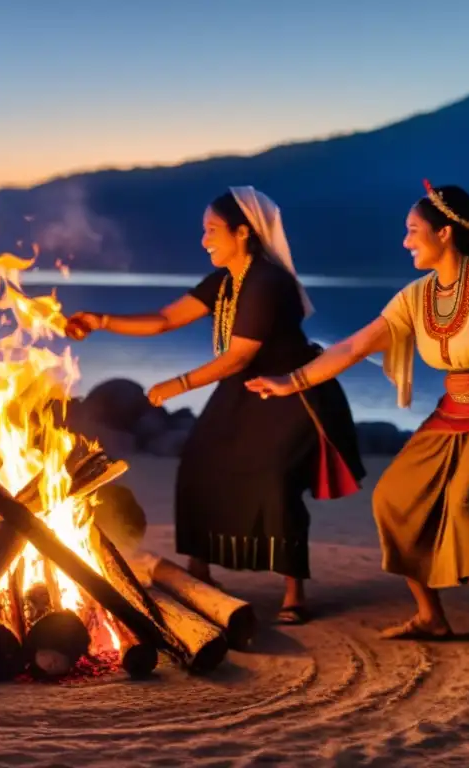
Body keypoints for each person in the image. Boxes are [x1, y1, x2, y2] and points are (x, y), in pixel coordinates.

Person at [246, 181, 469, 670]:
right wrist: (290, 381)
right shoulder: (417, 296)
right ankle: (431, 616)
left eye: (412, 231)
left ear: (445, 233)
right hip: (453, 411)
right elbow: (352, 347)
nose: (405, 242)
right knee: (393, 499)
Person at [66, 187, 365, 623]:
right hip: (243, 389)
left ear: (243, 232)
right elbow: (167, 318)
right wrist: (102, 321)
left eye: (211, 230)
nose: (204, 239)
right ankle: (200, 572)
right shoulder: (224, 281)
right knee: (198, 464)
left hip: (289, 390)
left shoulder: (267, 281)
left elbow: (239, 356)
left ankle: (293, 592)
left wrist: (177, 384)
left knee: (273, 479)